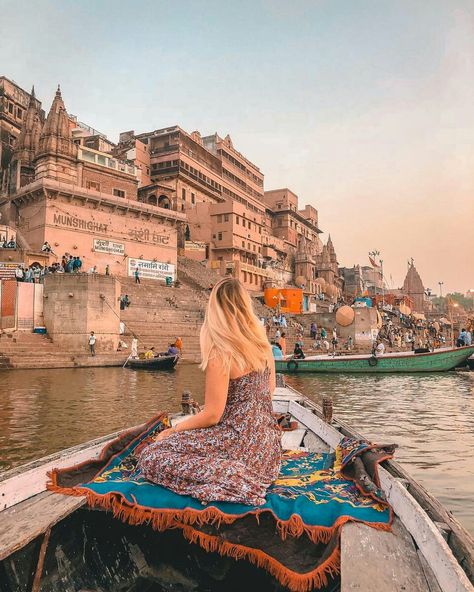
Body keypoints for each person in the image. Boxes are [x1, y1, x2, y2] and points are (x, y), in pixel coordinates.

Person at [138, 277, 281, 506]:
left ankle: (234, 477)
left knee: (151, 455)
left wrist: (174, 429)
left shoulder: (222, 351)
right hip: (267, 448)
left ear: (215, 309)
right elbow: (269, 391)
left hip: (239, 445)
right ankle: (235, 473)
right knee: (186, 442)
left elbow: (213, 415)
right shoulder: (263, 345)